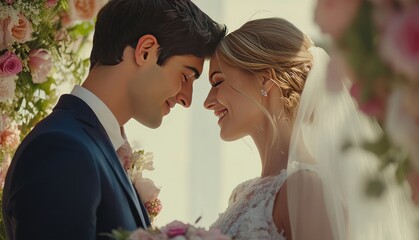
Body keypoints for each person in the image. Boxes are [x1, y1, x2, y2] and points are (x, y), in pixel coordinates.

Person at [2, 0, 226, 239]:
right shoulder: (62, 148)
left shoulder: (92, 145)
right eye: (185, 76)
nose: (187, 99)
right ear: (146, 51)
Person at [204, 17, 351, 239]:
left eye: (217, 82)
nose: (207, 101)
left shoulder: (307, 188)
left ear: (265, 81)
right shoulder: (240, 195)